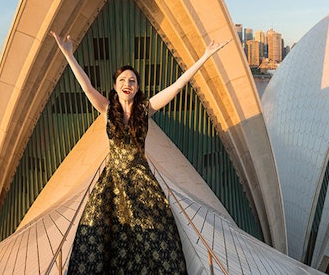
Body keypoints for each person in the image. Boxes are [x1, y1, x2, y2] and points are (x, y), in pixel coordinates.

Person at [50, 31, 229, 275]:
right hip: (111, 184)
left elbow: (177, 86)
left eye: (132, 80)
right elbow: (86, 86)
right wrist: (67, 54)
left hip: (141, 183)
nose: (128, 84)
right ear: (115, 86)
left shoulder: (146, 110)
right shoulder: (106, 109)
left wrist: (206, 56)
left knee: (156, 239)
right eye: (123, 80)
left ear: (137, 87)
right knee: (99, 238)